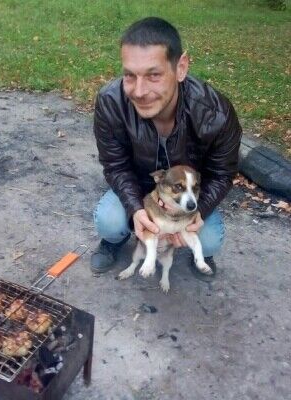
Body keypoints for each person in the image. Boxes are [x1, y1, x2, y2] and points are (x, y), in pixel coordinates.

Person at [91, 17, 242, 280]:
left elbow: (222, 174)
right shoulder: (110, 102)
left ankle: (195, 250)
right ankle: (116, 240)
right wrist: (135, 208)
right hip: (139, 188)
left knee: (210, 240)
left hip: (188, 196)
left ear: (181, 67)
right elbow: (115, 166)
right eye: (130, 75)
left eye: (154, 75)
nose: (139, 91)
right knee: (109, 222)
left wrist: (200, 211)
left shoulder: (216, 114)